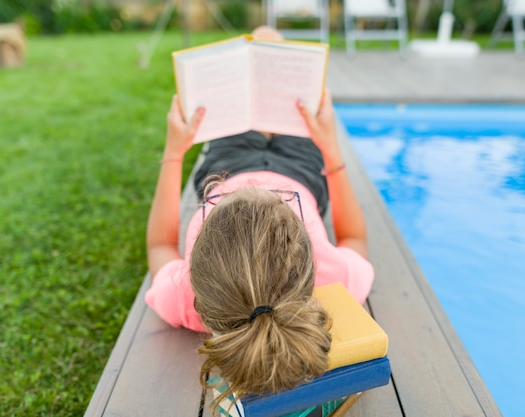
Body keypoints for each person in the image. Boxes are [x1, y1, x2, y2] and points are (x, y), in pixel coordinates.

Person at [145, 26, 374, 407]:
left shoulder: (185, 296)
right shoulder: (335, 281)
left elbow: (156, 244)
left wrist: (174, 152)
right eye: (284, 203)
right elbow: (355, 241)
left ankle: (265, 48)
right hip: (300, 169)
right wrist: (330, 150)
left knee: (254, 66)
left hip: (229, 163)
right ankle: (272, 49)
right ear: (308, 255)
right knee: (280, 69)